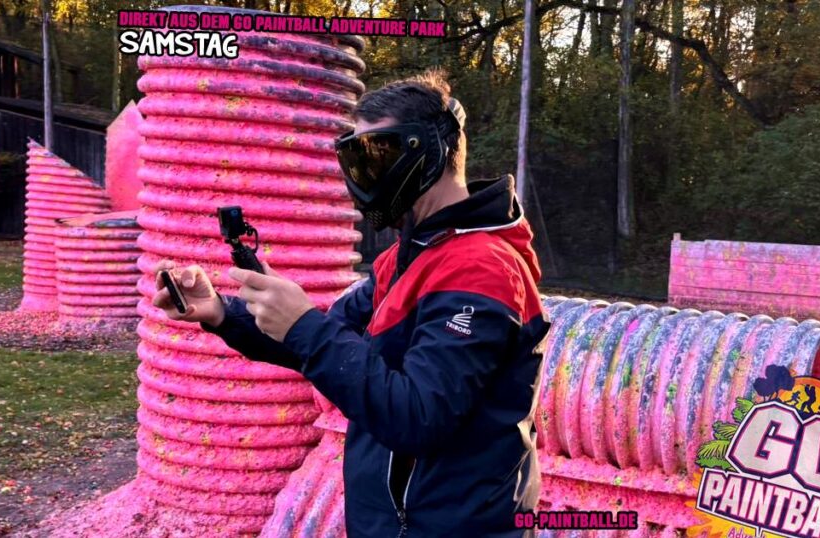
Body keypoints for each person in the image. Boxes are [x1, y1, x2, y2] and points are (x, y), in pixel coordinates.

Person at [153, 68, 549, 538]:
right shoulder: (408, 257)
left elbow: (418, 416)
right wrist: (221, 312)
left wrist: (304, 325)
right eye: (356, 159)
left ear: (431, 152)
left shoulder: (481, 267)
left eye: (377, 156)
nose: (364, 176)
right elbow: (320, 341)